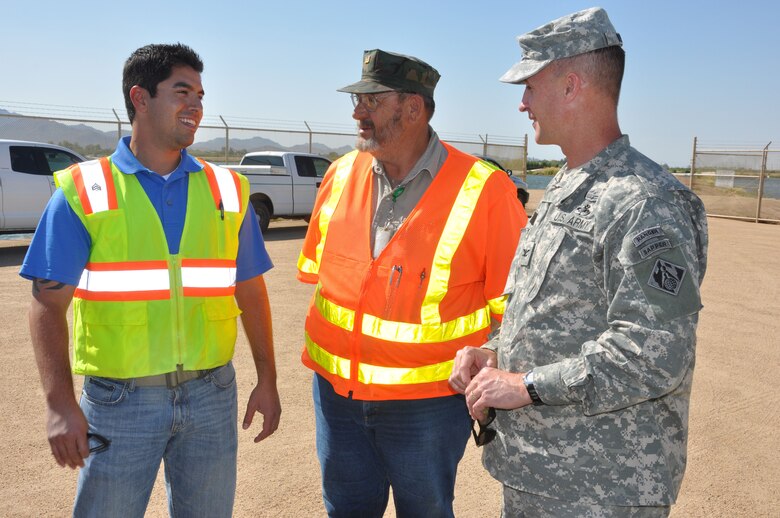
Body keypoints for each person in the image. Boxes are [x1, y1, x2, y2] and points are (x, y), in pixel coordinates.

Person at [449, 8, 709, 517]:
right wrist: (495, 351)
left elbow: (655, 353)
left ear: (571, 86)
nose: (522, 102)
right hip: (542, 473)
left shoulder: (643, 201)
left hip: (604, 487)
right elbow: (555, 310)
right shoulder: (568, 185)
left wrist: (525, 386)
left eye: (530, 85)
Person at [21, 43, 281, 517]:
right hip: (120, 401)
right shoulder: (85, 191)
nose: (197, 105)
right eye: (182, 92)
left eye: (201, 94)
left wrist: (268, 377)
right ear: (140, 98)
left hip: (211, 396)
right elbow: (46, 302)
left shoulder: (227, 190)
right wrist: (59, 404)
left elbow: (250, 289)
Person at [296, 49, 526, 517]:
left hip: (428, 406)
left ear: (414, 108)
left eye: (372, 101)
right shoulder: (339, 175)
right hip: (337, 398)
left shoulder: (486, 191)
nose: (357, 112)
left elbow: (517, 308)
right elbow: (322, 279)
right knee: (346, 509)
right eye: (357, 100)